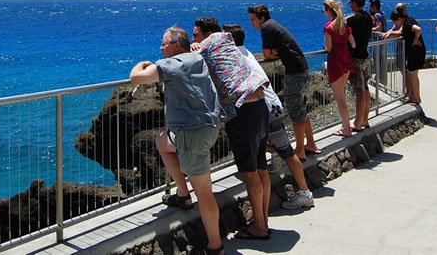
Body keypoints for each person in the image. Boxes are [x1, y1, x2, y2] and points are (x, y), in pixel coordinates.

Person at [129, 27, 224, 255]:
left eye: (164, 43)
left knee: (205, 193)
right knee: (162, 141)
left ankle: (215, 247)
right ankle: (183, 194)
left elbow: (135, 78)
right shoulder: (197, 57)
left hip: (192, 134)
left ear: (176, 46)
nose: (161, 47)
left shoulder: (170, 65)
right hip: (209, 127)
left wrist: (142, 64)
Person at [191, 18, 271, 240]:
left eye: (196, 35)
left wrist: (196, 48)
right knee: (260, 167)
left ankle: (260, 228)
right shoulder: (226, 41)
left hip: (243, 112)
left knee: (250, 172)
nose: (193, 39)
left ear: (206, 34)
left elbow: (187, 61)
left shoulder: (209, 43)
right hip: (260, 106)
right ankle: (262, 220)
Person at [222, 24, 315, 211]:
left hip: (261, 109)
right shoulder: (246, 53)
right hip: (273, 105)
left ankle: (267, 204)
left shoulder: (234, 58)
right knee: (286, 150)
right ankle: (305, 192)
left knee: (259, 151)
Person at [247, 4, 320, 161]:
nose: (251, 23)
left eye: (253, 19)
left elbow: (266, 53)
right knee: (300, 109)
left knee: (295, 112)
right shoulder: (273, 25)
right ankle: (311, 144)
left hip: (294, 72)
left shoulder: (266, 27)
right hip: (301, 68)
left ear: (261, 18)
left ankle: (300, 150)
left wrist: (273, 54)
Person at [323, 0, 358, 137]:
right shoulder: (343, 25)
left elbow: (328, 47)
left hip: (335, 63)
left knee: (340, 99)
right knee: (342, 96)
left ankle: (346, 129)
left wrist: (326, 46)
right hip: (346, 62)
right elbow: (353, 44)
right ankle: (346, 127)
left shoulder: (329, 27)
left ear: (328, 11)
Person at [383, 6, 425, 104]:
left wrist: (416, 40)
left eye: (395, 22)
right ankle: (412, 96)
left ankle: (417, 98)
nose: (395, 24)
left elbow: (418, 29)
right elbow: (402, 32)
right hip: (412, 52)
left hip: (416, 52)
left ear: (399, 19)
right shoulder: (405, 23)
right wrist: (391, 33)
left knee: (413, 75)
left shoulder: (408, 22)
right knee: (410, 74)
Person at [346, 0, 374, 131]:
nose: (348, 4)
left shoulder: (351, 19)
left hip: (355, 58)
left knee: (359, 91)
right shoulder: (369, 17)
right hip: (365, 56)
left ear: (355, 2)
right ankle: (365, 120)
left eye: (350, 1)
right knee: (366, 88)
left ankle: (357, 123)